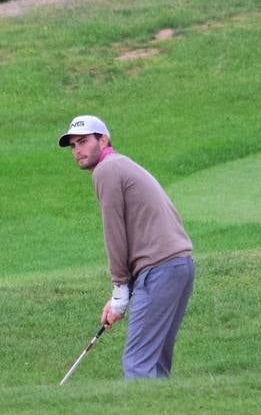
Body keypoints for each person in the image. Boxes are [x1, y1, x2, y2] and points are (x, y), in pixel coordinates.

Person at [59, 114, 195, 379]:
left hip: (160, 270)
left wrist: (120, 290)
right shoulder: (121, 165)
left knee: (138, 364)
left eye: (83, 142)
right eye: (73, 145)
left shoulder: (106, 170)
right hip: (179, 266)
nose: (77, 150)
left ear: (104, 139)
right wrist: (120, 295)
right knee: (156, 364)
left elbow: (115, 233)